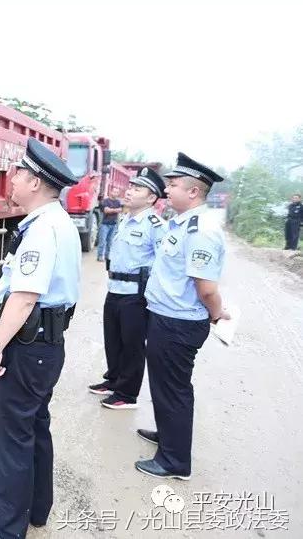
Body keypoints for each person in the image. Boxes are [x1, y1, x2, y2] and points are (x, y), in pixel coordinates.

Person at [0, 138, 80, 539]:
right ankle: (37, 509)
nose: (11, 180)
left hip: (26, 348)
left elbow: (25, 296)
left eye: (18, 174)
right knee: (34, 427)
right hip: (47, 346)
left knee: (12, 437)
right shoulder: (59, 223)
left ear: (34, 182)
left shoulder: (42, 229)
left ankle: (6, 529)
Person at [135, 152, 230, 480]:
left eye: (173, 185)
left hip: (178, 324)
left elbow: (206, 289)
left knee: (173, 389)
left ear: (193, 191)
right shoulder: (182, 223)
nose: (167, 190)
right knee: (164, 386)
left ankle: (175, 462)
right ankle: (169, 437)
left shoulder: (200, 230)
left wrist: (217, 315)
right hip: (165, 317)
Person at [88, 168, 167, 409]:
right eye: (130, 187)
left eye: (137, 188)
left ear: (152, 197)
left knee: (132, 344)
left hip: (136, 295)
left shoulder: (155, 225)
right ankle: (113, 380)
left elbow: (163, 263)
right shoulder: (126, 219)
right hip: (115, 289)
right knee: (113, 339)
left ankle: (127, 393)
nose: (129, 191)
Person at [97, 187, 123, 262]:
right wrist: (116, 210)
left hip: (113, 224)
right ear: (111, 192)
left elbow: (121, 210)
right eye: (114, 192)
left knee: (110, 242)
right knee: (102, 241)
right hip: (104, 224)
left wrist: (111, 210)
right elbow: (106, 210)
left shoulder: (118, 202)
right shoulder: (105, 201)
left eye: (117, 192)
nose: (115, 193)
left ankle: (107, 256)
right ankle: (100, 256)